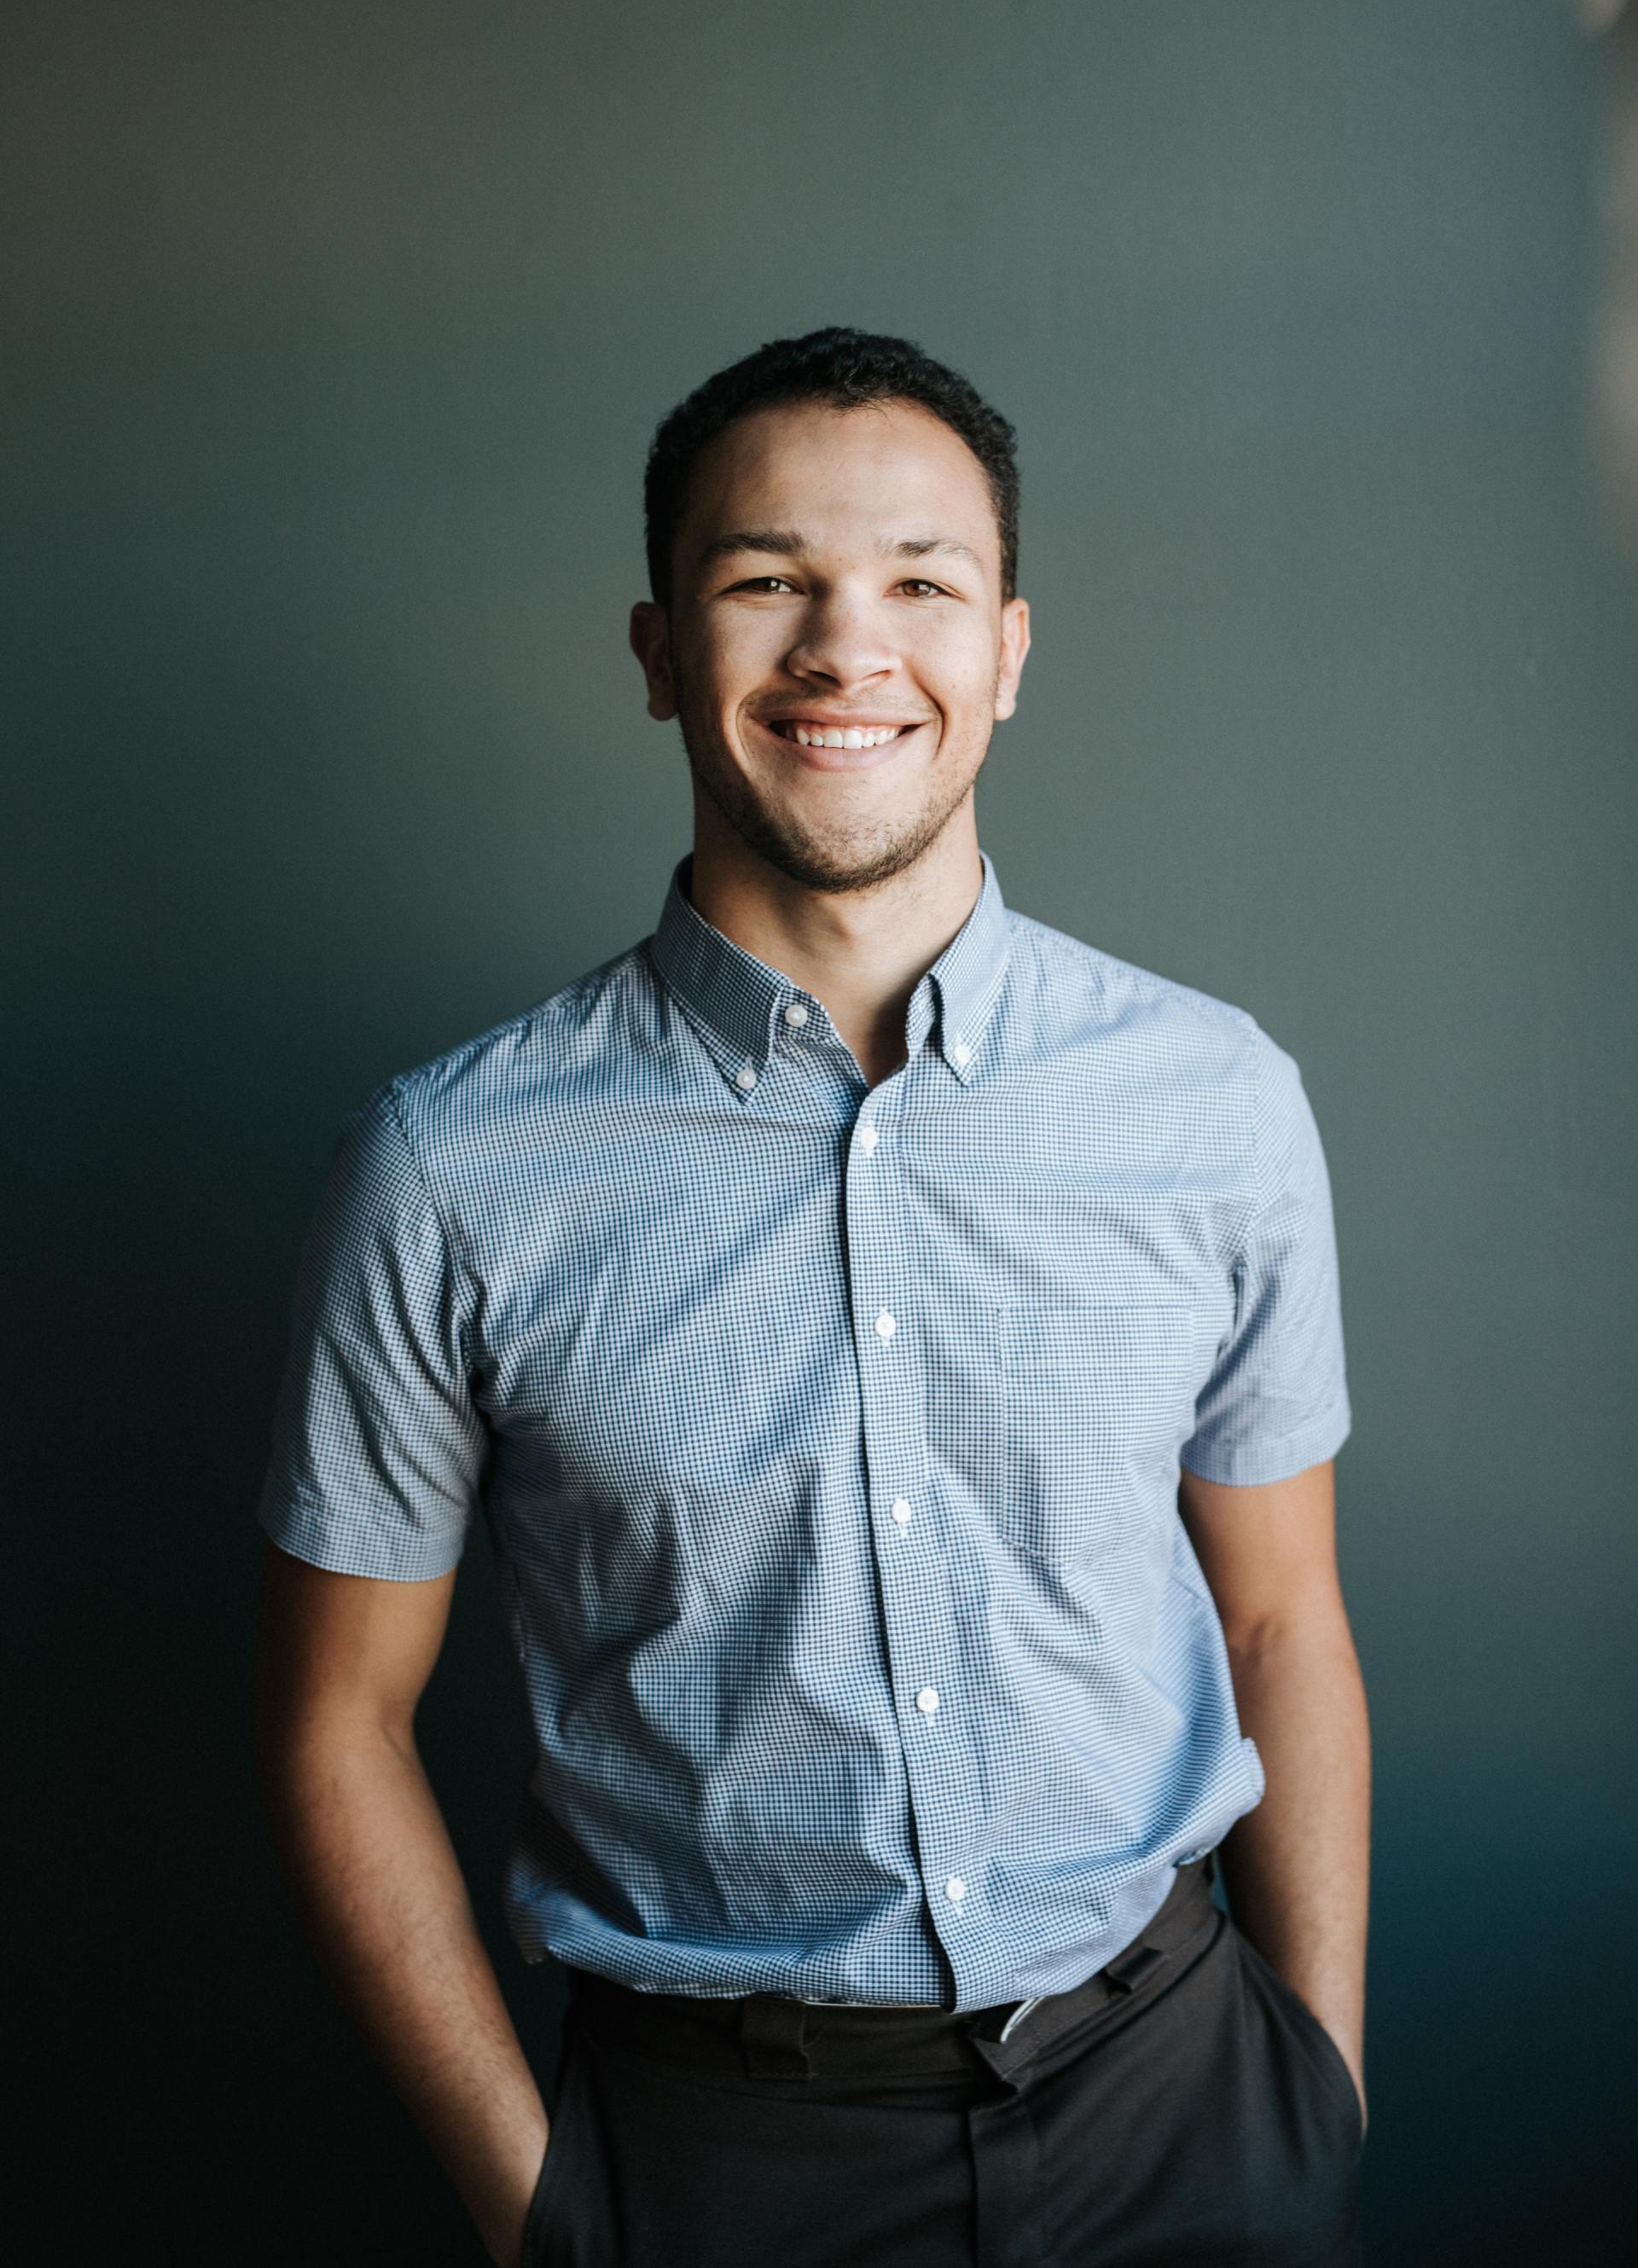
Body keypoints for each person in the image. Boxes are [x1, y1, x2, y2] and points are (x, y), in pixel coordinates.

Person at [255, 326, 1370, 2268]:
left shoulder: (1217, 1105)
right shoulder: (444, 1169)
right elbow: (335, 1723)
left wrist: (1320, 2090)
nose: (848, 649)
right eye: (768, 581)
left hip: (1187, 2117)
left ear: (1008, 650)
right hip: (712, 2174)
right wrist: (546, 2220)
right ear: (658, 650)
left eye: (921, 586)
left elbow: (1279, 1614)